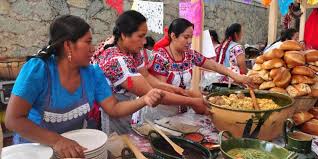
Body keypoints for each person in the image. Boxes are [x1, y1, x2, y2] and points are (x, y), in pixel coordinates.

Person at [5, 15, 164, 158]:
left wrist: (145, 99)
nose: (93, 48)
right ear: (68, 45)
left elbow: (114, 108)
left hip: (74, 151)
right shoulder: (38, 70)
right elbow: (13, 120)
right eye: (87, 42)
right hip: (35, 150)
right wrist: (58, 141)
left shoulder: (93, 73)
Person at [92, 11, 209, 134]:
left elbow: (146, 76)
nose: (144, 42)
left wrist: (172, 88)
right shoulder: (116, 60)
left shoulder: (132, 50)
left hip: (125, 108)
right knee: (117, 143)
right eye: (140, 36)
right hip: (112, 112)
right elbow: (150, 93)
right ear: (124, 35)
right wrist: (193, 101)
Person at [148, 19, 253, 115]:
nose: (189, 41)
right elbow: (163, 92)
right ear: (173, 36)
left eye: (191, 37)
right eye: (186, 37)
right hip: (161, 112)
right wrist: (193, 100)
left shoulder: (189, 54)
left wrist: (235, 76)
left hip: (183, 112)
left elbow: (213, 65)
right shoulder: (160, 58)